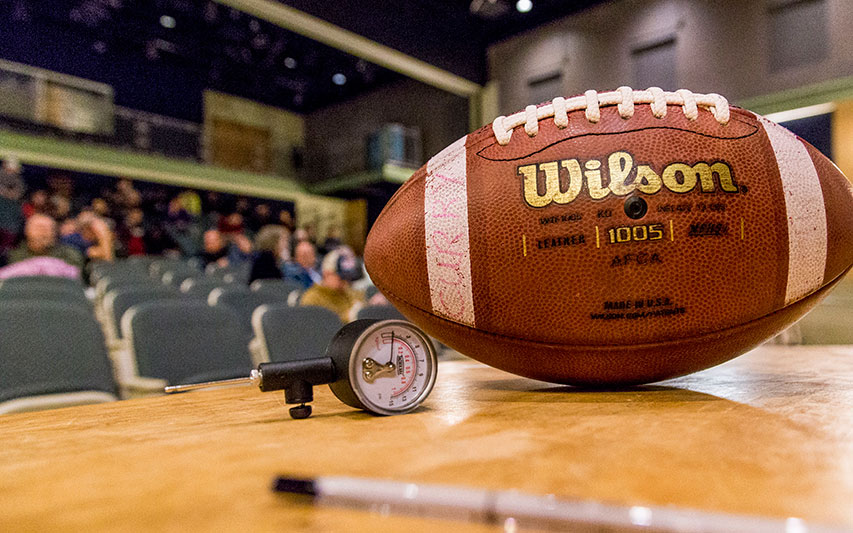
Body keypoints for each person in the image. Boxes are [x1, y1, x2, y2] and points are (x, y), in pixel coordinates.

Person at [300, 247, 365, 323]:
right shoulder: (312, 299)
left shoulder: (351, 293)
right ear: (326, 274)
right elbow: (316, 327)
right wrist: (349, 317)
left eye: (348, 278)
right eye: (341, 278)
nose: (345, 282)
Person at [7, 213, 84, 269]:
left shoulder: (70, 255)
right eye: (39, 228)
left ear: (55, 233)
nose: (43, 233)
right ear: (27, 231)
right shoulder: (14, 256)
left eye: (49, 229)